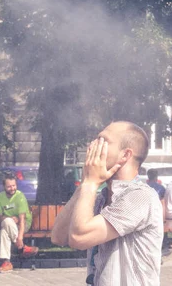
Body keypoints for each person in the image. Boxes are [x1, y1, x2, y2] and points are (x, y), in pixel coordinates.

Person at [51, 121, 163, 286]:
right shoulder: (100, 199)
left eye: (103, 141)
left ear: (125, 155)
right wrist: (84, 184)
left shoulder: (141, 197)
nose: (93, 146)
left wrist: (90, 183)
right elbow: (58, 237)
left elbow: (78, 238)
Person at [0, 173, 38, 273]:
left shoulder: (20, 196)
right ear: (4, 187)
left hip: (23, 223)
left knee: (4, 231)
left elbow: (22, 219)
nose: (12, 188)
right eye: (9, 186)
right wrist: (9, 218)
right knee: (6, 223)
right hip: (8, 223)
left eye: (14, 185)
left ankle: (7, 262)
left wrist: (20, 237)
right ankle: (22, 249)